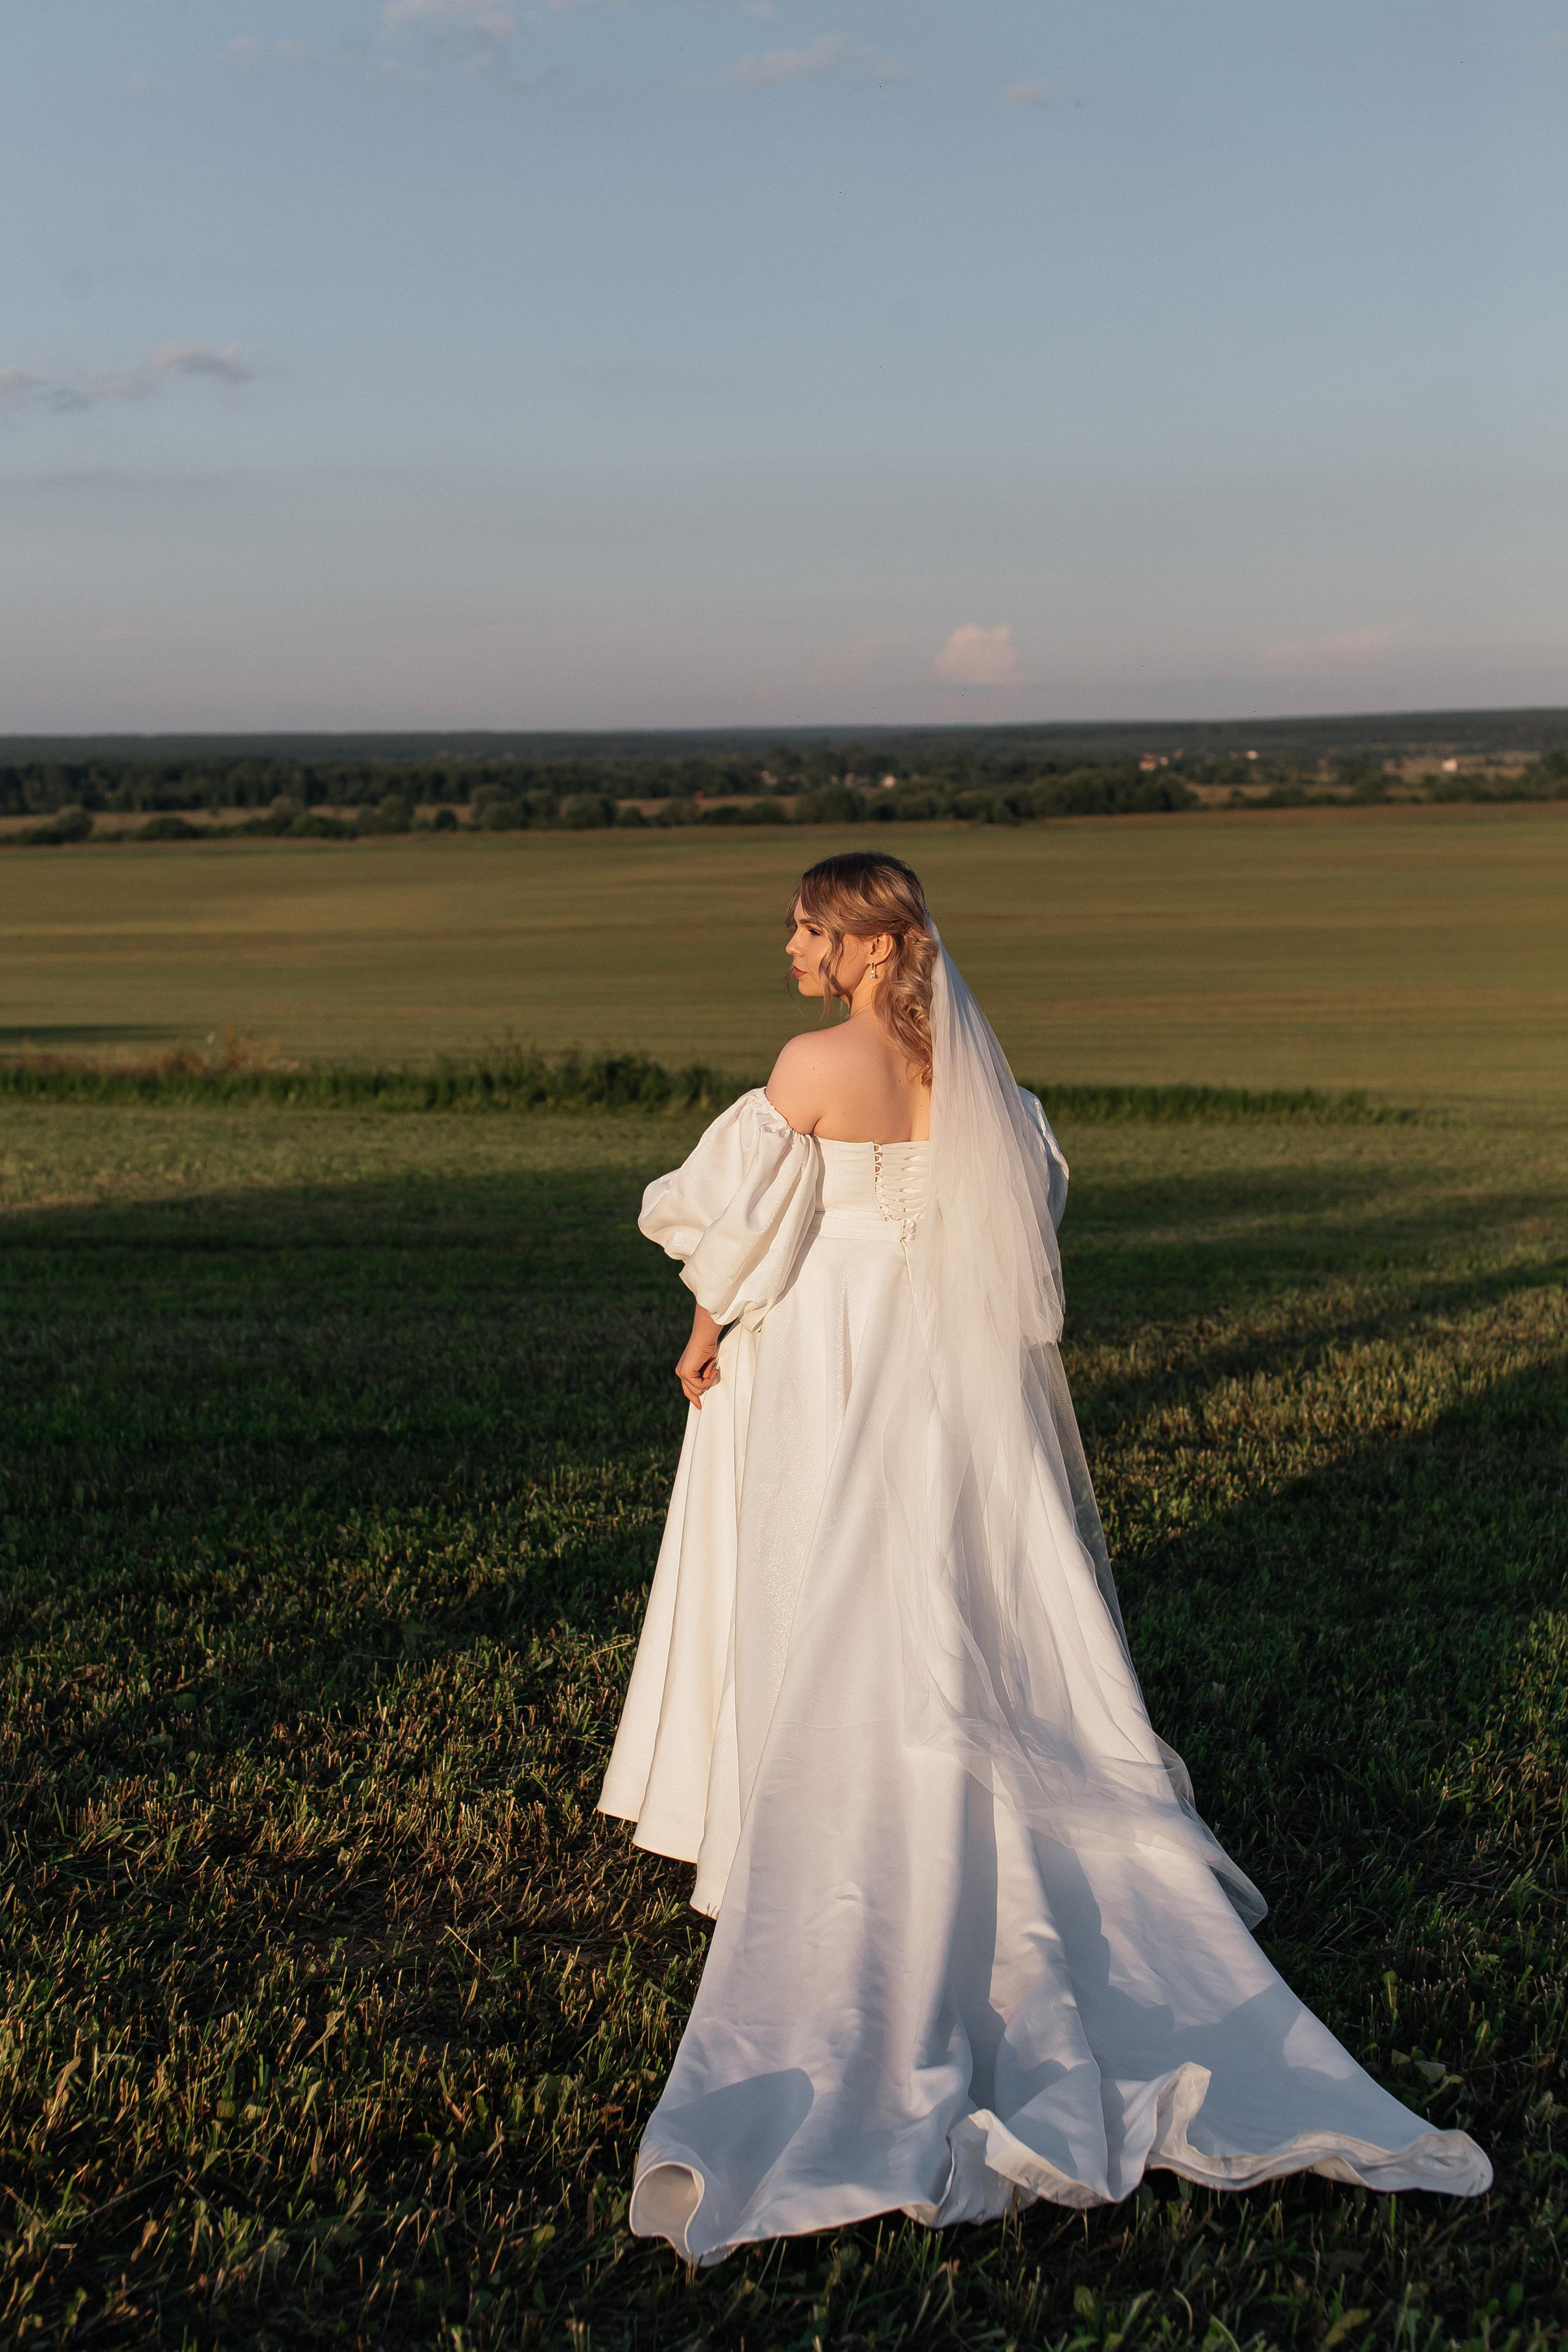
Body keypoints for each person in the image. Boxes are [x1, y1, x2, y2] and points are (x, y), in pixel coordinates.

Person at [598, 850, 1490, 2264]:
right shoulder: (986, 1087)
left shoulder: (810, 1063)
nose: (788, 946)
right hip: (951, 1392)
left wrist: (705, 1328)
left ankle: (820, 1816)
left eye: (806, 928)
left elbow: (736, 1232)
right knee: (955, 1594)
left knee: (826, 1586)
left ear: (860, 945)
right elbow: (1021, 1227)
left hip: (828, 1370)